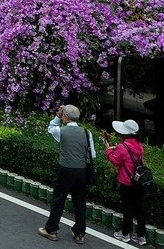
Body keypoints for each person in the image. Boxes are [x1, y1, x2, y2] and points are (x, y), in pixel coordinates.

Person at [38, 104, 96, 245]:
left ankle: (51, 230)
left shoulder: (61, 131)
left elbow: (51, 127)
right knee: (80, 202)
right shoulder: (87, 133)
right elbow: (92, 154)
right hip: (81, 171)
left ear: (66, 117)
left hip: (65, 170)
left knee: (59, 200)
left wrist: (57, 116)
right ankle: (79, 233)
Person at [104, 119, 148, 245]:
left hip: (127, 183)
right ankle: (141, 236)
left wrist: (108, 149)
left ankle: (124, 234)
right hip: (139, 182)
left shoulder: (123, 147)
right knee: (140, 209)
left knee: (128, 209)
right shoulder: (139, 145)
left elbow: (115, 161)